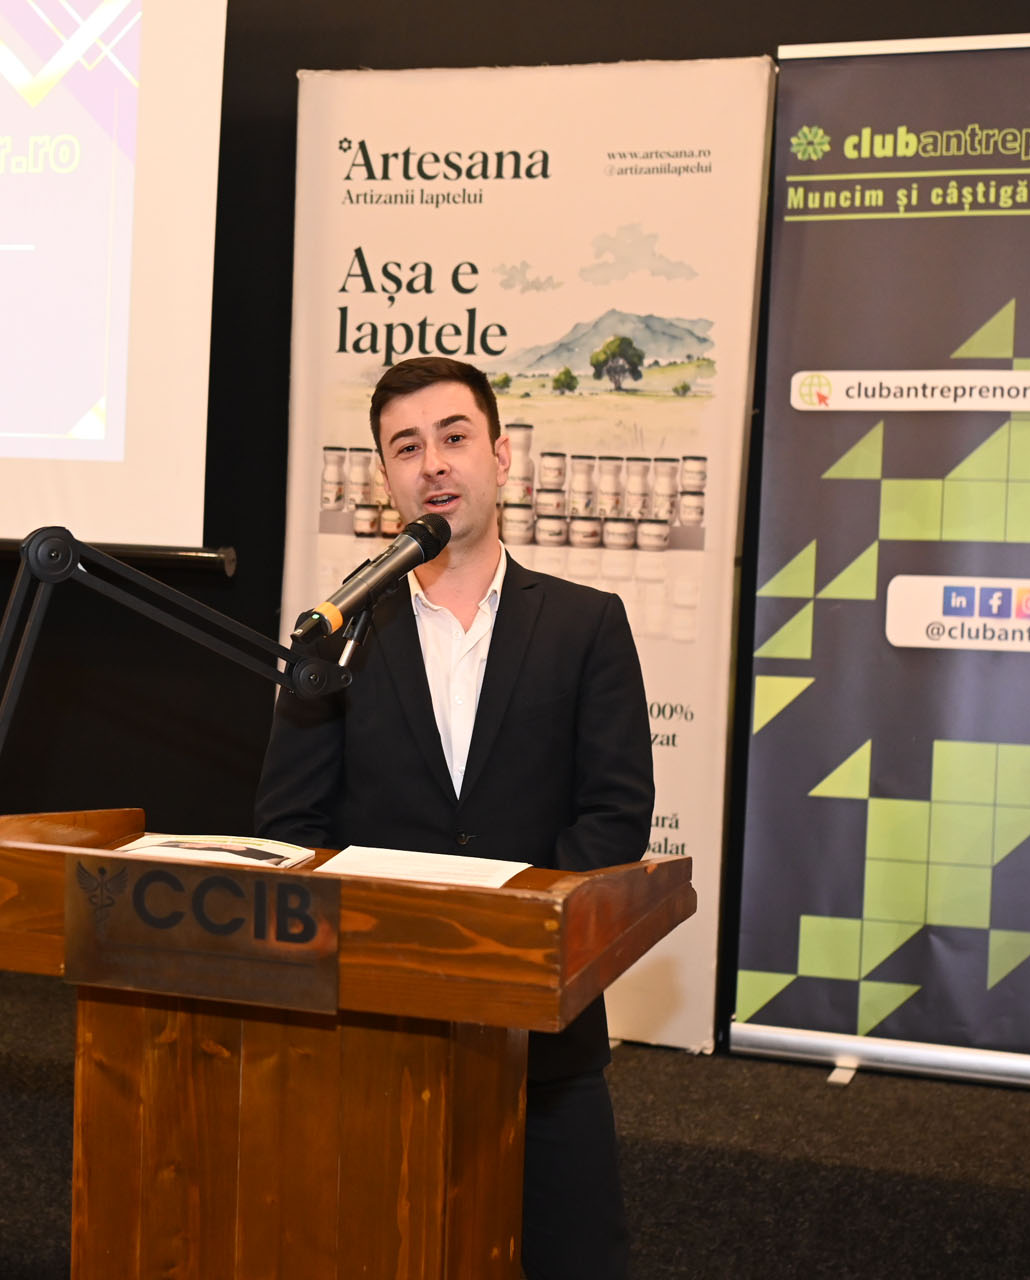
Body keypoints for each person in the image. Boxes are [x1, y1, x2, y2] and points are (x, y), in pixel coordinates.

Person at [255, 356, 654, 1279]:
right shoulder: (337, 633)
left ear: (501, 456)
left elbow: (614, 816)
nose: (433, 462)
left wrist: (501, 941)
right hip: (374, 1033)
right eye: (407, 447)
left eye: (454, 436)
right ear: (385, 479)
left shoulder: (587, 624)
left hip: (542, 1040)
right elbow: (289, 826)